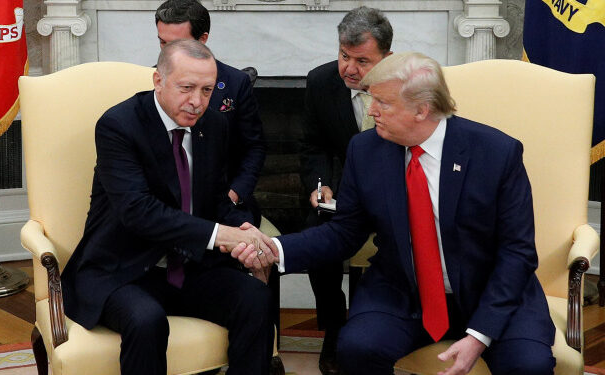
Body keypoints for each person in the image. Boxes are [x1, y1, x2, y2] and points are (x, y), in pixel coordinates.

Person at [234, 52, 556, 375]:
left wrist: (479, 334)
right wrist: (275, 249)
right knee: (356, 347)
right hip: (404, 291)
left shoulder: (497, 154)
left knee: (530, 366)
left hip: (492, 292)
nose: (371, 111)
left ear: (422, 109)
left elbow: (518, 252)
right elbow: (343, 232)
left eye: (382, 103)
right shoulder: (365, 150)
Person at [61, 40, 276, 375]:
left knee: (254, 299)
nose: (197, 102)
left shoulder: (213, 126)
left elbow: (218, 199)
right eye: (187, 88)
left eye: (207, 90)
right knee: (146, 320)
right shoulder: (119, 125)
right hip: (122, 268)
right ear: (158, 81)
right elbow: (138, 210)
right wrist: (222, 234)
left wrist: (244, 230)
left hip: (189, 267)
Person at [299, 6, 392, 374]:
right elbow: (314, 145)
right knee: (313, 229)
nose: (349, 69)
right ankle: (335, 325)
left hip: (400, 196)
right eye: (343, 56)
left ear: (386, 57)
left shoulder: (412, 82)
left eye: (362, 61)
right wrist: (319, 186)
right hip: (347, 198)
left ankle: (385, 320)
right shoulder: (321, 82)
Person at [155, 0, 265, 225]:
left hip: (225, 203)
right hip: (167, 206)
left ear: (202, 39)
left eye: (177, 44)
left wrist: (234, 194)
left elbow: (253, 147)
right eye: (163, 43)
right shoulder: (154, 82)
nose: (168, 53)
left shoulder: (235, 83)